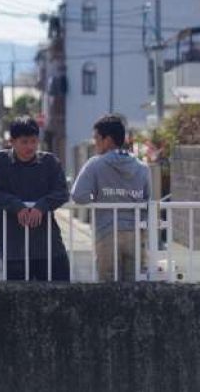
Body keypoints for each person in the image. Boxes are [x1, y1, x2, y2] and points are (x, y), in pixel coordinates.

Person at [0, 117, 70, 281]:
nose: (30, 147)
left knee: (61, 291)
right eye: (24, 142)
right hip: (14, 246)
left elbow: (62, 192)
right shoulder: (1, 161)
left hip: (48, 244)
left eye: (33, 141)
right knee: (18, 300)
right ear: (12, 142)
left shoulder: (49, 162)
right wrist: (18, 206)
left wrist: (41, 206)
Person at [71, 113, 151, 282]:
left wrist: (99, 198)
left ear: (107, 140)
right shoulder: (142, 168)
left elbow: (78, 195)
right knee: (134, 288)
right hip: (135, 233)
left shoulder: (95, 164)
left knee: (108, 289)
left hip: (107, 232)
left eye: (96, 138)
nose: (95, 142)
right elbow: (147, 201)